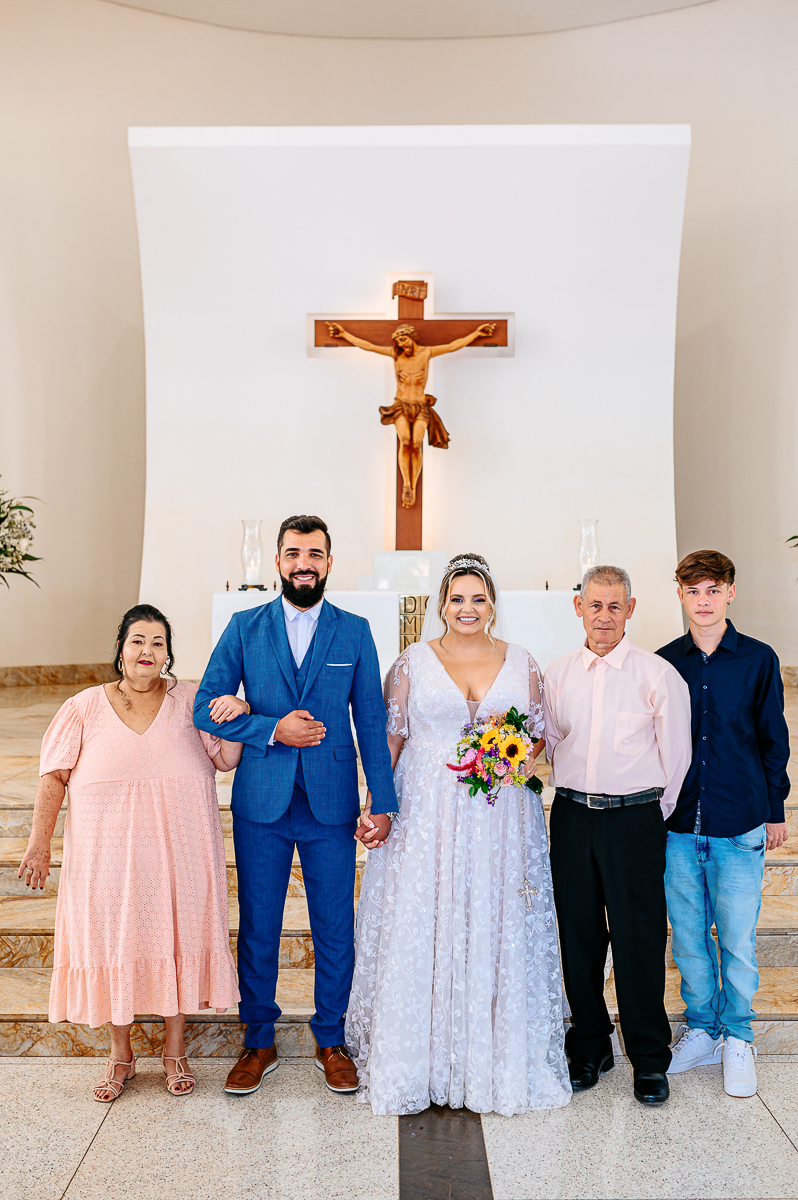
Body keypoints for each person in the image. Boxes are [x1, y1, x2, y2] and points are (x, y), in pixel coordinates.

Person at [346, 554, 572, 1116]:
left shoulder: (523, 663)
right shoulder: (411, 664)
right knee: (427, 917)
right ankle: (421, 1059)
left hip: (499, 814)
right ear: (441, 605)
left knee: (495, 919)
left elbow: (541, 734)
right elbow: (388, 742)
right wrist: (378, 806)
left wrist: (505, 755)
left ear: (493, 604)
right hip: (427, 813)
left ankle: (491, 1056)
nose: (467, 609)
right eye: (456, 599)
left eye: (478, 599)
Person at [193, 514, 397, 1096]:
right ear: (278, 563)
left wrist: (382, 801)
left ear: (329, 562)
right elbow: (205, 705)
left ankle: (330, 1038)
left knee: (336, 926)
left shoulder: (354, 631)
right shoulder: (244, 627)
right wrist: (270, 728)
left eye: (314, 553)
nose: (303, 563)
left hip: (330, 803)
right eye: (292, 553)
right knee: (259, 926)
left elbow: (373, 721)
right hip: (262, 802)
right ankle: (258, 1039)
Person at [18, 604, 241, 1101]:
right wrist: (38, 846)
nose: (147, 651)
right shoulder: (81, 707)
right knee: (112, 945)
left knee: (177, 938)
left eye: (158, 643)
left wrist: (237, 714)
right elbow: (53, 777)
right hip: (107, 860)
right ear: (121, 650)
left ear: (168, 654)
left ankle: (174, 1049)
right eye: (138, 641)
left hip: (179, 852)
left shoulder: (191, 702)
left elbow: (225, 759)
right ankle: (120, 1054)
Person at [544, 565, 692, 1107]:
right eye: (594, 605)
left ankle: (649, 1058)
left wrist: (647, 814)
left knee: (639, 939)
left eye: (614, 606)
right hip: (574, 816)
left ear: (630, 610)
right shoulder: (557, 675)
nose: (603, 616)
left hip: (634, 820)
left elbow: (677, 758)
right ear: (577, 606)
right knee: (579, 936)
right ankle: (591, 1045)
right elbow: (550, 743)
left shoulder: (656, 676)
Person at [657, 550, 790, 1097]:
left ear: (730, 592)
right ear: (681, 595)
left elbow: (772, 739)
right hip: (681, 824)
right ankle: (703, 1028)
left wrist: (775, 808)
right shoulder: (666, 662)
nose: (703, 600)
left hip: (739, 821)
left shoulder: (758, 660)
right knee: (688, 938)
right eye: (694, 591)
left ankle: (738, 1037)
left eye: (713, 589)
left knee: (735, 939)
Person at [325, 320, 496, 507]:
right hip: (401, 406)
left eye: (404, 340)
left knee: (416, 444)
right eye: (398, 343)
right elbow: (369, 346)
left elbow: (453, 346)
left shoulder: (426, 353)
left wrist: (477, 334)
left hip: (420, 406)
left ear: (411, 338)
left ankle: (413, 484)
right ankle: (407, 484)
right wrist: (343, 335)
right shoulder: (396, 355)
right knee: (405, 441)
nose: (402, 345)